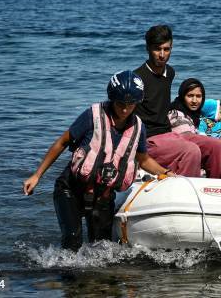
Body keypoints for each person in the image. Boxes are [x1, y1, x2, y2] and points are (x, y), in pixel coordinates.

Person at [22, 70, 174, 251]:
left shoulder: (138, 127)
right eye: (120, 104)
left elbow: (143, 159)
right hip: (70, 190)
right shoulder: (92, 116)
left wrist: (166, 173)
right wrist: (36, 175)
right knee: (72, 242)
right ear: (112, 99)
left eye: (130, 104)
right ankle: (66, 277)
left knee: (103, 249)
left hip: (103, 197)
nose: (125, 110)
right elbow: (62, 143)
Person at [134, 25, 221, 179]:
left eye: (167, 49)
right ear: (148, 48)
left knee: (216, 146)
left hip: (169, 133)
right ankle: (185, 193)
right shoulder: (137, 78)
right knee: (191, 151)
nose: (162, 55)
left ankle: (214, 190)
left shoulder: (169, 72)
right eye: (157, 49)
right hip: (149, 140)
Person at [167, 78, 221, 146]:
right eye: (190, 96)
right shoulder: (177, 115)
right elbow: (188, 141)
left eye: (198, 96)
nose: (194, 101)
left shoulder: (197, 114)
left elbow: (212, 128)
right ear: (182, 96)